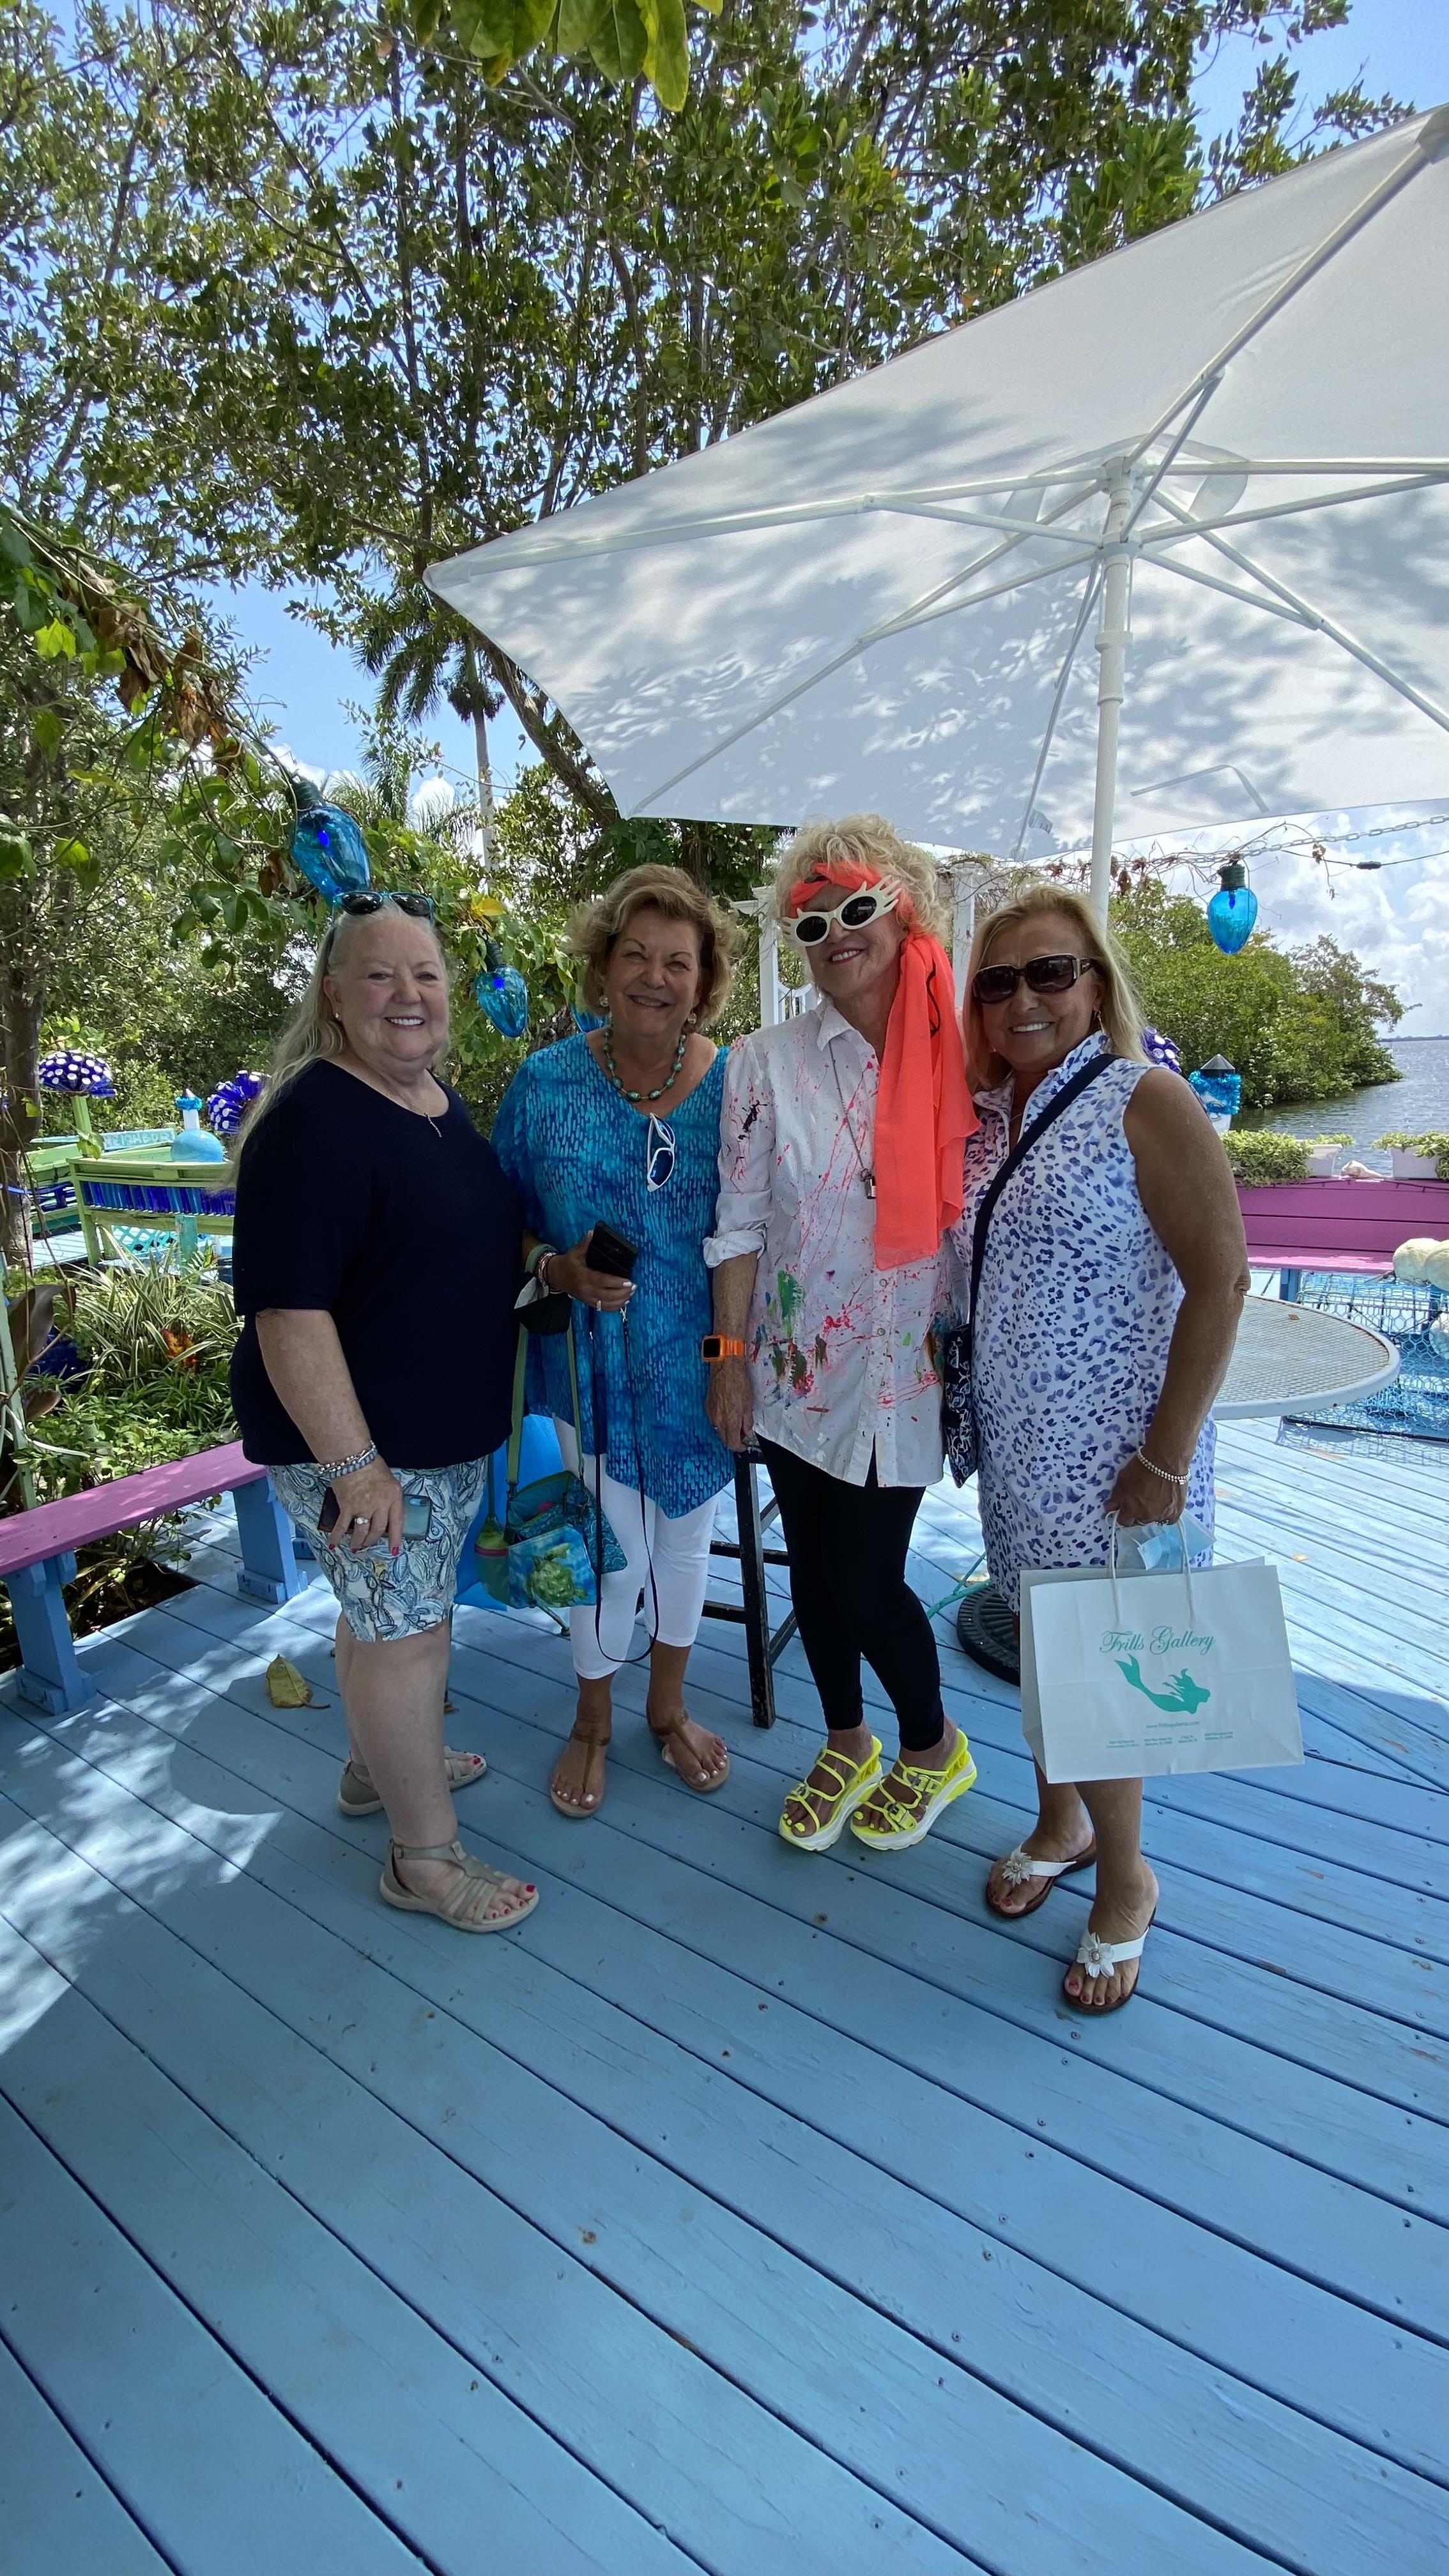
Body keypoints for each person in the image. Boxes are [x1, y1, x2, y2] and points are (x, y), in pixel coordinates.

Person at [960, 885, 1249, 2011]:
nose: (1024, 998)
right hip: (1025, 1452)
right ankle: (1061, 1818)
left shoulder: (1147, 1097)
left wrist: (1168, 1459)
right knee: (1043, 1647)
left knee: (1109, 1676)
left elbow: (1221, 1281)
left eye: (1050, 972)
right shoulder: (1001, 1114)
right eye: (998, 981)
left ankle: (1127, 1880)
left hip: (1121, 1460)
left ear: (1096, 985)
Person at [229, 891, 538, 1935]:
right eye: (380, 974)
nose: (408, 995)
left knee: (390, 1622)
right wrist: (356, 1466)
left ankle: (377, 1765)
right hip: (368, 1451)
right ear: (334, 994)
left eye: (427, 975)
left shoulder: (429, 1102)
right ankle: (424, 1857)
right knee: (410, 1641)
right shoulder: (312, 1121)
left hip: (432, 1439)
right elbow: (287, 1313)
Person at [705, 816, 977, 1853]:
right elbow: (735, 1224)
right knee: (813, 1574)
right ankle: (847, 1737)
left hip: (905, 1369)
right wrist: (727, 1361)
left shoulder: (968, 1046)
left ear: (904, 906)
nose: (837, 934)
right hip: (790, 1364)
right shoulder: (762, 1064)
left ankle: (930, 1745)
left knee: (868, 1579)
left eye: (857, 907)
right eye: (811, 922)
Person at [491, 864, 742, 1819]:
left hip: (697, 1367)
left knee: (687, 1544)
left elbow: (753, 1232)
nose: (655, 975)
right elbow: (497, 1218)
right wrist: (555, 1268)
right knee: (612, 1557)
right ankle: (592, 1719)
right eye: (635, 954)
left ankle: (668, 1709)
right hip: (588, 1370)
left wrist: (732, 1362)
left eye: (678, 961)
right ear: (602, 966)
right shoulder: (544, 1084)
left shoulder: (732, 1085)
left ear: (704, 979)